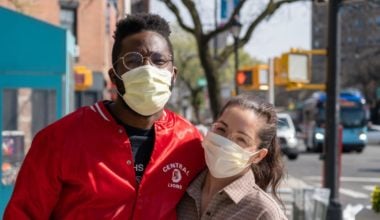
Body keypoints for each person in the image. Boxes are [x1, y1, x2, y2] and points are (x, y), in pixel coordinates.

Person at [4, 13, 205, 220]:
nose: (148, 70)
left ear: (173, 74)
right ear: (114, 77)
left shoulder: (190, 142)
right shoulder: (59, 140)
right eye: (133, 60)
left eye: (159, 60)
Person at [177, 94, 287, 220]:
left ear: (258, 156)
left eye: (241, 139)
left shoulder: (263, 212)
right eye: (221, 129)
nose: (225, 143)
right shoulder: (179, 189)